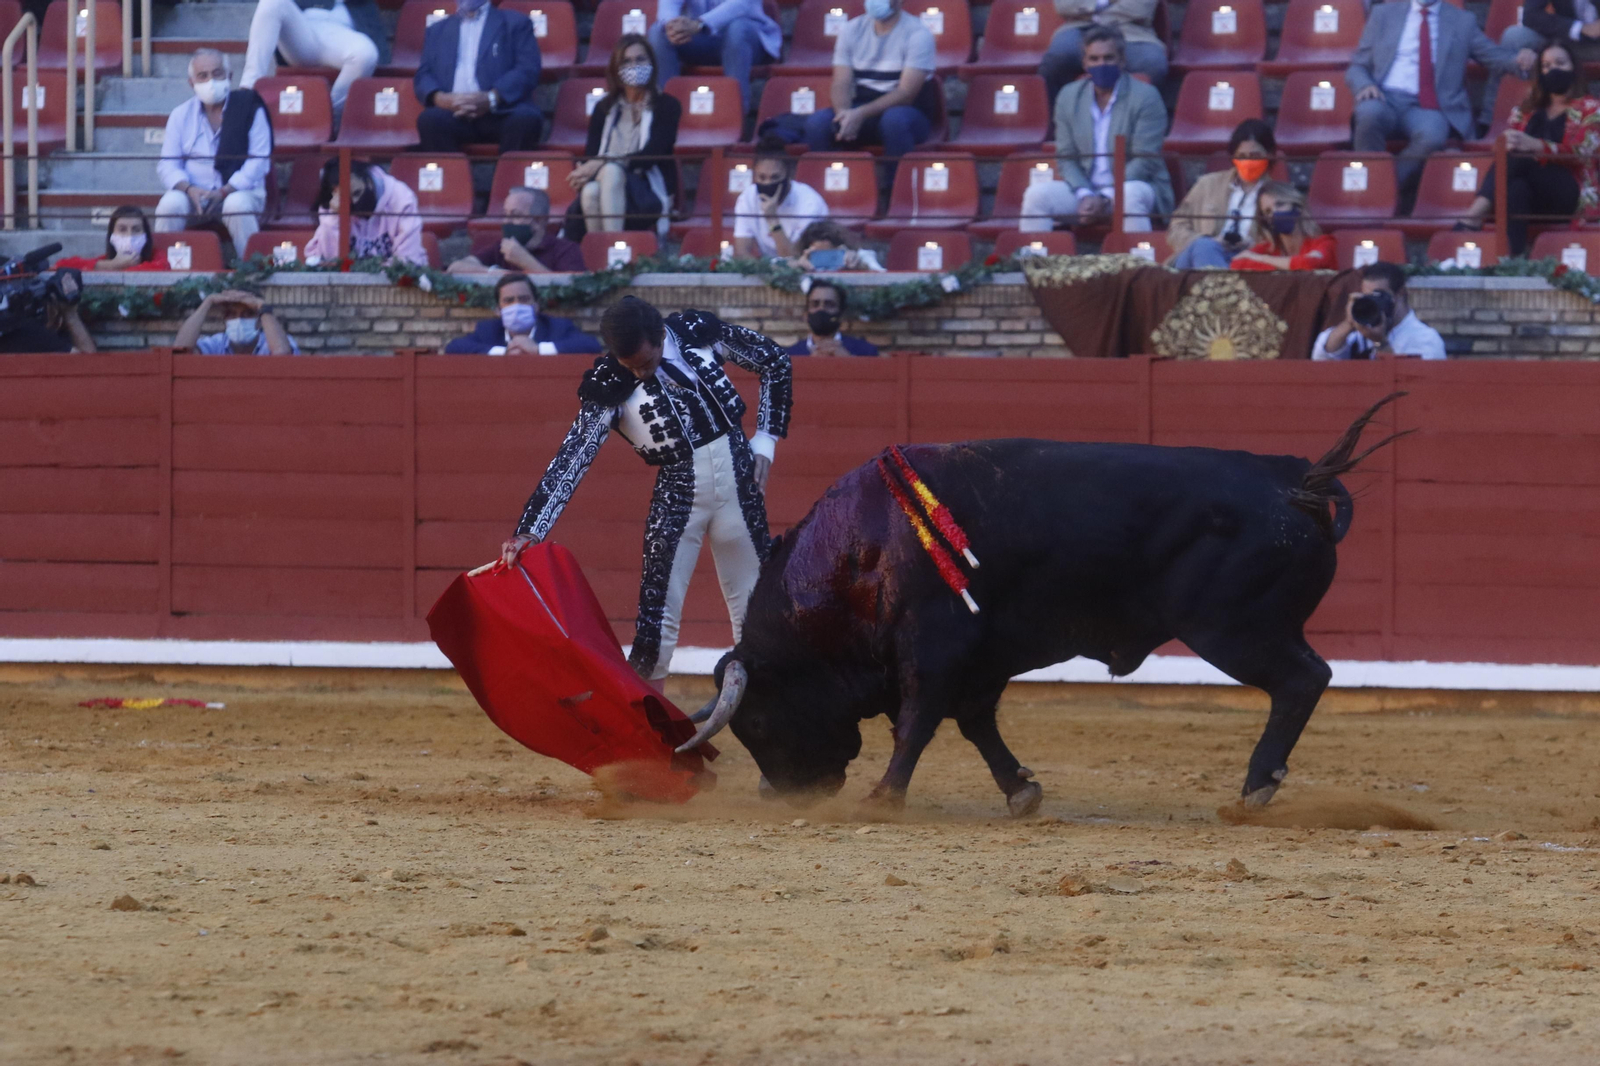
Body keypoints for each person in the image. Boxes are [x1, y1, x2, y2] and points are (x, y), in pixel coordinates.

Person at [500, 296, 791, 682]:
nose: (639, 375)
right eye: (629, 367)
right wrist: (529, 529)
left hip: (741, 482)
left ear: (660, 338)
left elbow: (775, 361)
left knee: (757, 614)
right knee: (655, 625)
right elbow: (573, 457)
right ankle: (647, 733)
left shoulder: (695, 333)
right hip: (677, 494)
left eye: (647, 363)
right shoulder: (610, 384)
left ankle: (770, 723)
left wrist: (766, 440)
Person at [1347, 0, 1516, 202]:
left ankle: (1383, 189)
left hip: (1427, 106)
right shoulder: (1383, 14)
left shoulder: (1463, 21)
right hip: (1385, 97)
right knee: (1368, 114)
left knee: (1433, 136)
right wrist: (1365, 85)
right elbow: (1357, 66)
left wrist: (1525, 61)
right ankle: (1371, 180)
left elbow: (1494, 57)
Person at [1019, 25, 1172, 234]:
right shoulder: (1068, 96)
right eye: (1094, 59)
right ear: (1084, 63)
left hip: (1136, 185)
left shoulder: (1146, 97)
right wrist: (1085, 194)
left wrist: (1107, 196)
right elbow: (1066, 156)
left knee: (1129, 196)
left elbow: (1145, 159)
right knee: (1036, 195)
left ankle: (1139, 266)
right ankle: (1035, 265)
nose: (1101, 64)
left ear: (1122, 61)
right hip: (1086, 190)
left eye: (1109, 58)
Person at [1456, 41, 1600, 256]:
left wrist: (1537, 146)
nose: (1553, 70)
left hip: (1570, 191)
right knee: (1515, 188)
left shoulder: (1592, 108)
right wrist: (1506, 142)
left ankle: (1472, 216)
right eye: (1546, 66)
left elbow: (1584, 153)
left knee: (1520, 156)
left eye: (1560, 63)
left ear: (1574, 68)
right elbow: (1507, 147)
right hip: (1533, 196)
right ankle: (1510, 262)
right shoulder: (1526, 109)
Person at [155, 49, 273, 254]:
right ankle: (161, 272)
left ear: (230, 76)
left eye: (217, 74)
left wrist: (224, 191)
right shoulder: (180, 115)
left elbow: (259, 161)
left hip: (238, 191)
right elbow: (167, 165)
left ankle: (253, 271)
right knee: (169, 205)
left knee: (237, 205)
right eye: (203, 76)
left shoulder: (248, 108)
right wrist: (189, 189)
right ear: (192, 83)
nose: (210, 81)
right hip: (194, 195)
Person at [801, 0, 939, 173]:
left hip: (909, 112)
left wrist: (860, 114)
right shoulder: (851, 30)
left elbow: (906, 93)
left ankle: (895, 192)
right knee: (817, 124)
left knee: (894, 121)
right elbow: (840, 82)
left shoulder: (918, 34)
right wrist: (844, 116)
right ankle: (828, 189)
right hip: (863, 106)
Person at [569, 36, 681, 236]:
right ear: (616, 70)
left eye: (640, 60)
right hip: (606, 189)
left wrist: (607, 161)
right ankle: (604, 260)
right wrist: (591, 169)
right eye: (626, 62)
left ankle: (611, 249)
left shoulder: (667, 106)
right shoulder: (603, 108)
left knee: (611, 171)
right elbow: (591, 155)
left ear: (652, 64)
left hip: (646, 191)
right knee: (590, 191)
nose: (634, 66)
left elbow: (651, 154)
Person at [413, 0, 544, 154]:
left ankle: (508, 177)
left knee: (526, 120)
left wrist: (491, 98)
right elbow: (423, 75)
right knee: (430, 121)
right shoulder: (437, 30)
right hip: (454, 111)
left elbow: (527, 69)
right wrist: (441, 99)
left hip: (502, 110)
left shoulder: (516, 23)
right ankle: (454, 178)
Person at [240, 0, 386, 120]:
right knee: (272, 2)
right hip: (302, 29)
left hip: (343, 33)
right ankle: (247, 92)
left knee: (366, 54)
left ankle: (329, 113)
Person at [1165, 120, 1275, 270]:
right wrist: (1209, 242)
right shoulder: (1207, 185)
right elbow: (1176, 227)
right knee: (1204, 247)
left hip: (1247, 261)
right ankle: (1225, 288)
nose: (1248, 161)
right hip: (1198, 255)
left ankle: (1222, 288)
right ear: (1233, 157)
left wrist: (1252, 246)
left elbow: (1290, 241)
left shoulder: (1281, 195)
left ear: (1269, 155)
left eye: (1255, 155)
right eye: (1242, 156)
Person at [648, 0, 782, 114]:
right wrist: (671, 24)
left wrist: (700, 24)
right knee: (658, 32)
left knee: (737, 30)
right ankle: (666, 114)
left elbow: (741, 4)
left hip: (749, 39)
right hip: (702, 38)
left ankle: (735, 114)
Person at [1039, 0, 1168, 108]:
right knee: (1057, 58)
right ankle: (1058, 123)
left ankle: (1139, 123)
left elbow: (1140, 9)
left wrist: (1095, 12)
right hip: (1080, 27)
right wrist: (1105, 2)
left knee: (1153, 64)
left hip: (1130, 31)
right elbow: (1065, 5)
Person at [1485, 0, 1590, 128]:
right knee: (1513, 36)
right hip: (1567, 34)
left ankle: (1578, 117)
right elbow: (1531, 15)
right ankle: (1491, 120)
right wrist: (1579, 28)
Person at [305, 158, 429, 266]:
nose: (355, 202)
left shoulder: (401, 198)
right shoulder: (333, 206)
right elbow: (330, 263)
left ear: (369, 181)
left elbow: (408, 260)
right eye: (347, 198)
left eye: (357, 193)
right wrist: (334, 218)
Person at [1313, 261, 1445, 361]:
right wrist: (1350, 323)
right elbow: (1320, 357)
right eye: (1368, 296)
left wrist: (1380, 343)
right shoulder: (1361, 331)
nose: (1373, 302)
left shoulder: (1426, 339)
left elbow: (1413, 383)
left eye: (1379, 296)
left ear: (1400, 293)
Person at [444, 273, 602, 354]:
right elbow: (454, 347)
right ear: (498, 310)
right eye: (508, 300)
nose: (517, 305)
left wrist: (538, 349)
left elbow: (591, 345)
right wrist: (504, 352)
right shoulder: (488, 330)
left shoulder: (557, 327)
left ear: (536, 306)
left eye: (524, 299)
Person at [448, 188, 586, 275]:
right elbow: (455, 268)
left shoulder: (566, 250)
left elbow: (572, 290)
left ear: (539, 221)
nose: (507, 222)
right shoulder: (501, 248)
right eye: (505, 215)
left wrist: (525, 261)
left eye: (515, 216)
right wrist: (499, 274)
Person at [732, 137, 829, 260]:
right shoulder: (747, 198)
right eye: (761, 178)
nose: (767, 183)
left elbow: (793, 258)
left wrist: (772, 219)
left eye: (775, 177)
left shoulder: (810, 203)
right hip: (766, 269)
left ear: (789, 175)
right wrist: (764, 271)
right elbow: (742, 252)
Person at [1229, 181, 1336, 272]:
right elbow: (1237, 264)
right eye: (1268, 211)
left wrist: (1260, 259)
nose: (1275, 213)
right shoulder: (1268, 248)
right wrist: (1288, 265)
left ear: (1297, 207)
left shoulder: (1324, 242)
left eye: (1280, 205)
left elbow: (1308, 264)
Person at [173, 289, 299, 355]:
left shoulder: (274, 341)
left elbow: (282, 353)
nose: (239, 320)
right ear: (225, 320)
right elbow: (181, 349)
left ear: (260, 321)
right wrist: (208, 302)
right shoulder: (216, 344)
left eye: (248, 314)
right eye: (232, 314)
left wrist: (261, 306)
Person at [54, 207, 172, 273]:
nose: (129, 235)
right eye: (122, 229)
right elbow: (61, 265)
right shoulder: (104, 261)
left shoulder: (158, 256)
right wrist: (112, 264)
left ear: (145, 235)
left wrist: (122, 266)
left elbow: (162, 266)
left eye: (136, 229)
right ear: (112, 235)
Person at [786, 280, 879, 356]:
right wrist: (810, 363)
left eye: (829, 305)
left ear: (841, 316)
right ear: (806, 315)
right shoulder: (791, 355)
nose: (821, 309)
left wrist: (849, 362)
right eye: (815, 304)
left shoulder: (866, 351)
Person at [791, 220, 886, 271]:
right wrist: (797, 268)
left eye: (830, 255)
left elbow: (884, 277)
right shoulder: (800, 261)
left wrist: (861, 267)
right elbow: (777, 264)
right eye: (818, 255)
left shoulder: (862, 256)